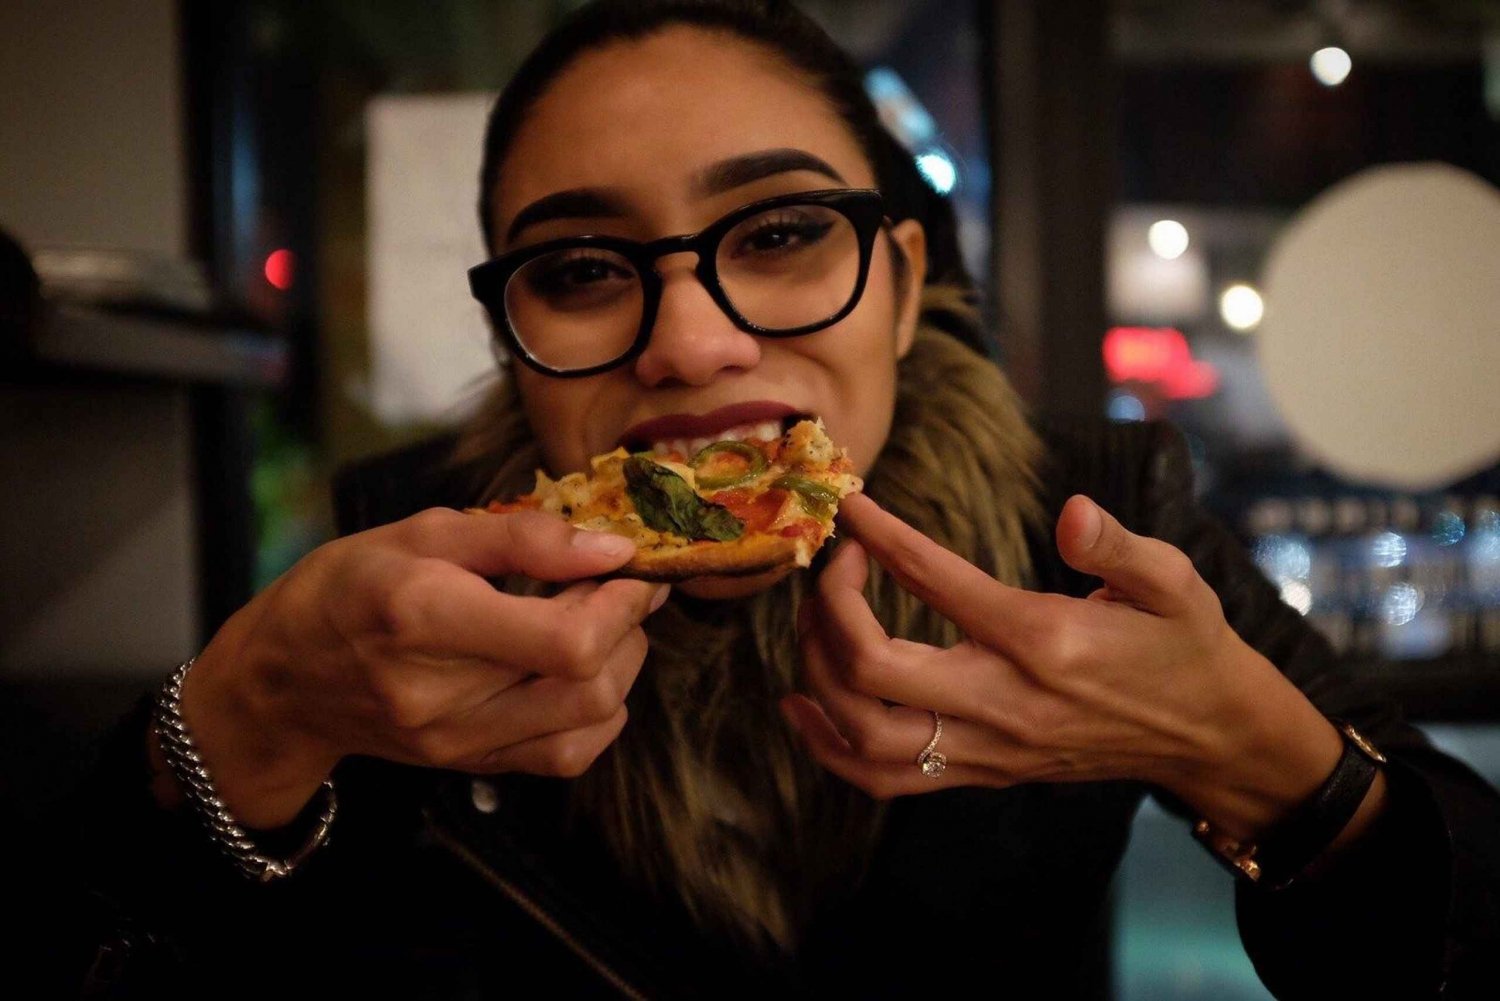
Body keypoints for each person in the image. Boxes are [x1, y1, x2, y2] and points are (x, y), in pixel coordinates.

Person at [57, 1, 1500, 997]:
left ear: (904, 283)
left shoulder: (1099, 517)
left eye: (787, 232)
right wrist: (239, 719)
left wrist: (1280, 772)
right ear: (515, 340)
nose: (691, 342)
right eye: (578, 268)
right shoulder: (404, 571)